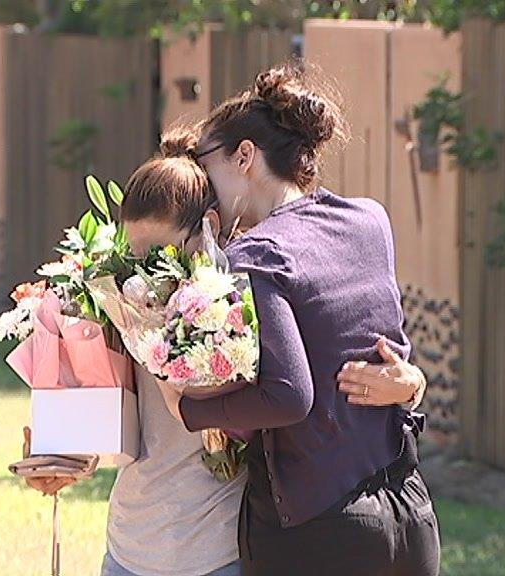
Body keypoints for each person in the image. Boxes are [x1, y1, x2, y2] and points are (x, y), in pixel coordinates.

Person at [24, 130, 429, 576]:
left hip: (226, 555)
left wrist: (411, 384)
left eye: (163, 254)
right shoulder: (117, 298)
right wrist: (62, 454)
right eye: (136, 255)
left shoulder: (257, 287)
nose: (147, 272)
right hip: (130, 550)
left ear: (209, 228)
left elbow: (326, 381)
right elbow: (103, 416)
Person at [153, 63, 442, 576]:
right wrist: (411, 381)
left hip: (320, 532)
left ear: (244, 156)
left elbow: (289, 395)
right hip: (409, 512)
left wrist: (187, 409)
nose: (203, 184)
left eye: (204, 163)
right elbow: (381, 342)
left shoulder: (257, 254)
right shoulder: (369, 218)